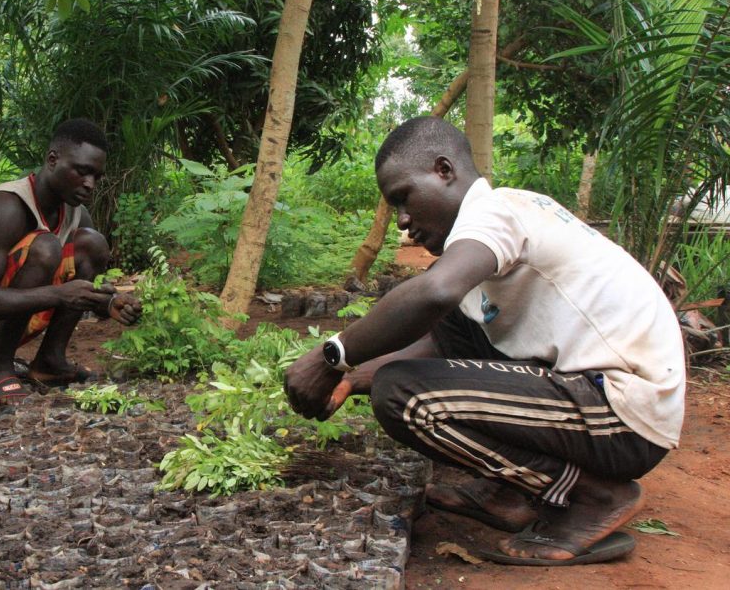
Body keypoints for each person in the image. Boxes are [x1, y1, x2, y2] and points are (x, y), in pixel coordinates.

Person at [284, 116, 684, 566]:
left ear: (443, 170)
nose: (403, 222)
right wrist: (349, 380)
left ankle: (593, 498)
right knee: (452, 325)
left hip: (623, 411)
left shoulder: (496, 211)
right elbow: (444, 342)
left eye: (404, 198)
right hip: (597, 400)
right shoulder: (486, 239)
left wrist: (331, 355)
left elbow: (435, 292)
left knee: (403, 395)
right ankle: (513, 493)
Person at [0, 118, 141, 404]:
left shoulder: (75, 213)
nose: (90, 184)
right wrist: (59, 295)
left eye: (96, 177)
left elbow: (75, 287)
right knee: (45, 246)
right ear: (52, 160)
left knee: (92, 243)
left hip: (6, 313)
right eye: (82, 172)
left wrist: (109, 304)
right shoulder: (5, 207)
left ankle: (50, 361)